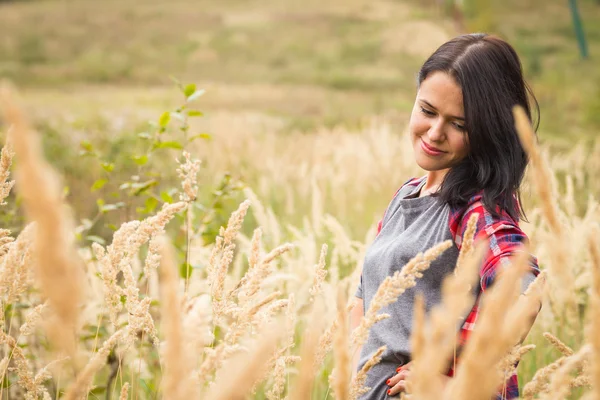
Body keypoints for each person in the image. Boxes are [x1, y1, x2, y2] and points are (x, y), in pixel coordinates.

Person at [350, 33, 542, 400]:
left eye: (460, 125)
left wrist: (457, 385)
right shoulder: (408, 193)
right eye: (427, 111)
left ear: (487, 132)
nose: (435, 133)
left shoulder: (475, 212)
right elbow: (368, 292)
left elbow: (523, 290)